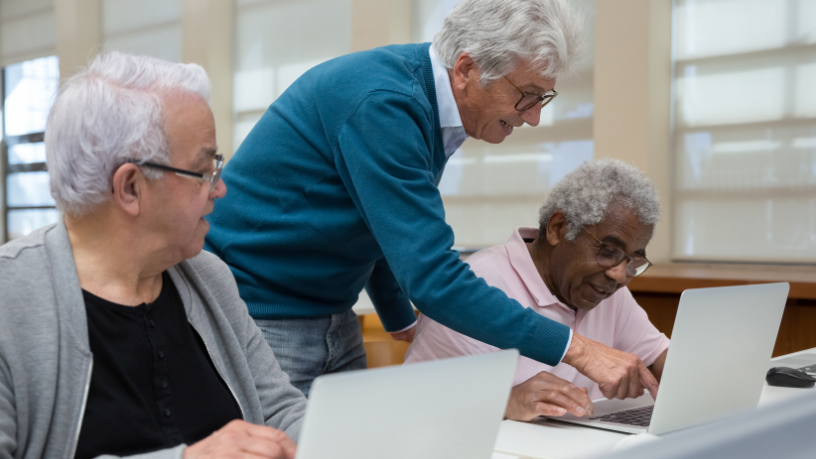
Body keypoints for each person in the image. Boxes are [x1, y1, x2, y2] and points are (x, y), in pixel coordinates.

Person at [205, 0, 658, 399]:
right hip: (263, 309)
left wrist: (399, 316)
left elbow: (376, 221)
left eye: (544, 98)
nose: (535, 118)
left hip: (327, 310)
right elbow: (432, 276)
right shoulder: (384, 104)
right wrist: (577, 349)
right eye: (526, 96)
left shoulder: (426, 105)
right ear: (466, 70)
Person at [0, 52, 306, 459]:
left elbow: (280, 412)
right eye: (205, 171)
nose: (220, 189)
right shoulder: (10, 304)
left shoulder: (209, 278)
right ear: (130, 187)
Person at [404, 159, 670, 421]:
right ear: (558, 228)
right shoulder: (476, 285)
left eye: (632, 260)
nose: (620, 274)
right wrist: (506, 402)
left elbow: (662, 359)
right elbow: (415, 403)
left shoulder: (606, 290)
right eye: (608, 251)